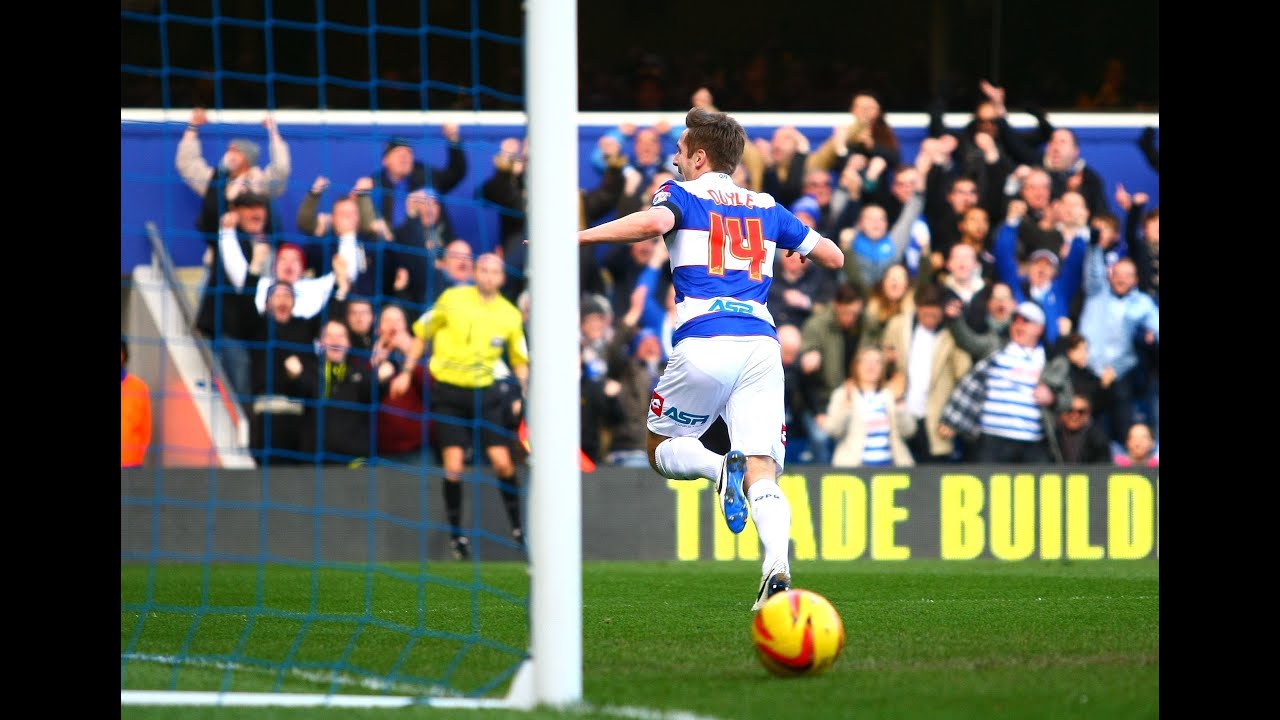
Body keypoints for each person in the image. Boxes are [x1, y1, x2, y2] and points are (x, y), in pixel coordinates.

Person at [577, 107, 844, 611]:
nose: (675, 160)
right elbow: (834, 256)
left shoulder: (680, 194)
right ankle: (777, 569)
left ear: (700, 158)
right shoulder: (767, 206)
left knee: (660, 447)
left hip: (705, 339)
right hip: (762, 345)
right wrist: (799, 249)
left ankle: (718, 470)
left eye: (680, 152)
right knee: (763, 468)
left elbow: (652, 223)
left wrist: (580, 236)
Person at [390, 253, 529, 560]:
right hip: (449, 393)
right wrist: (405, 371)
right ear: (475, 273)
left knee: (503, 463)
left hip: (485, 393)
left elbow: (519, 359)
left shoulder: (509, 314)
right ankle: (457, 538)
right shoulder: (451, 299)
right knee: (454, 466)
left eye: (494, 271)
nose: (488, 276)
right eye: (483, 270)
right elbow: (421, 333)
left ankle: (519, 531)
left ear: (502, 278)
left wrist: (524, 391)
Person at [121, 337, 152, 468]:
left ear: (124, 355)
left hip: (131, 464)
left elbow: (146, 428)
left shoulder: (139, 387)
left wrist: (137, 456)